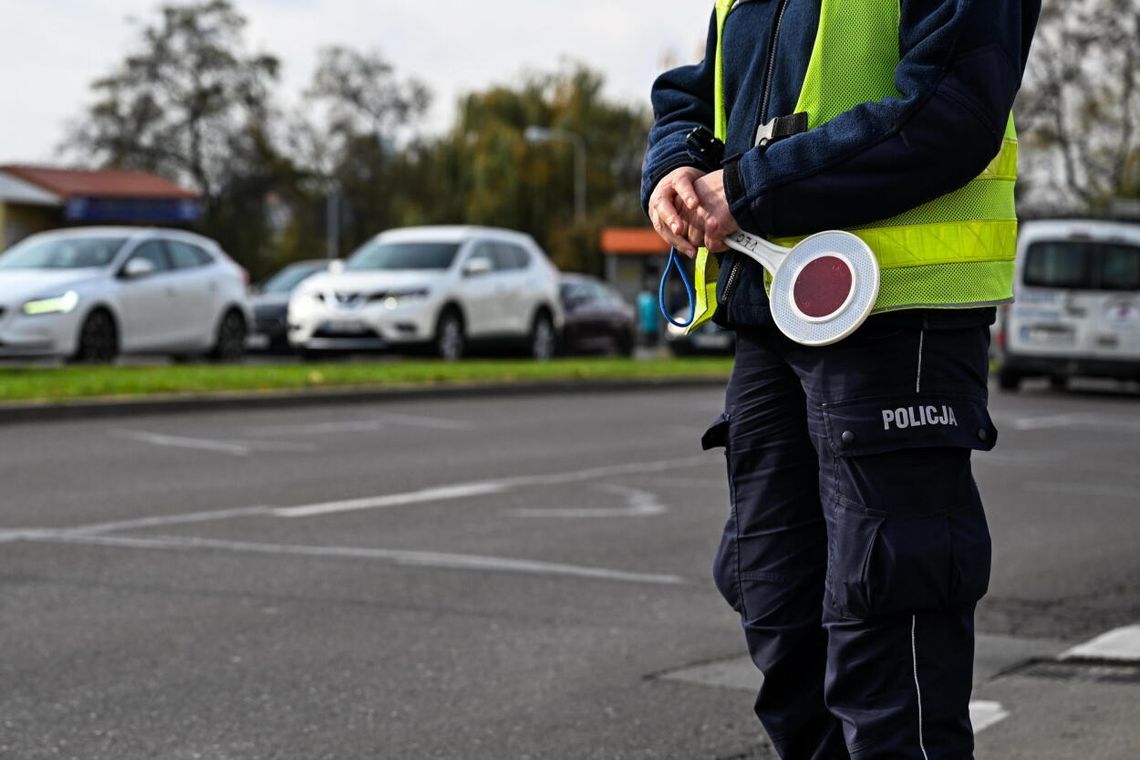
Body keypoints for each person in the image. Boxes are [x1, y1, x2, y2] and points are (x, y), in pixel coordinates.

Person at [641, 1, 1040, 758]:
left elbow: (951, 108)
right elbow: (697, 89)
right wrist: (676, 167)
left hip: (899, 314)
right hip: (773, 310)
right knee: (778, 614)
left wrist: (749, 187)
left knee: (887, 641)